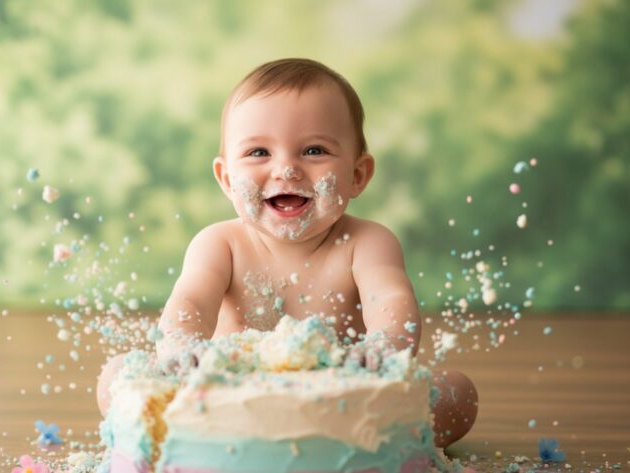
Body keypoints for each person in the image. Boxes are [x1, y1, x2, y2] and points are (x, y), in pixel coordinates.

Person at [97, 58, 477, 448]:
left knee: (458, 393)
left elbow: (391, 299)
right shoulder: (220, 244)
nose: (287, 169)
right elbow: (190, 300)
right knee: (116, 377)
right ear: (227, 179)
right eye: (259, 153)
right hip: (227, 397)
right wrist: (183, 348)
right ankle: (223, 441)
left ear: (357, 175)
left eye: (314, 150)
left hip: (341, 400)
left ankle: (326, 444)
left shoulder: (367, 242)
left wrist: (382, 349)